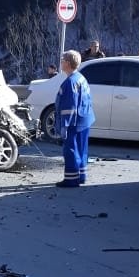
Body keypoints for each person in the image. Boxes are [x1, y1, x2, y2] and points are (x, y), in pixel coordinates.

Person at [53, 50, 95, 188]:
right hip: (85, 119)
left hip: (74, 122)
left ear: (67, 63)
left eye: (62, 60)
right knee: (82, 149)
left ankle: (71, 179)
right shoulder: (80, 78)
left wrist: (64, 126)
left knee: (70, 149)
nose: (61, 62)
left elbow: (68, 107)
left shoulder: (70, 82)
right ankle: (81, 176)